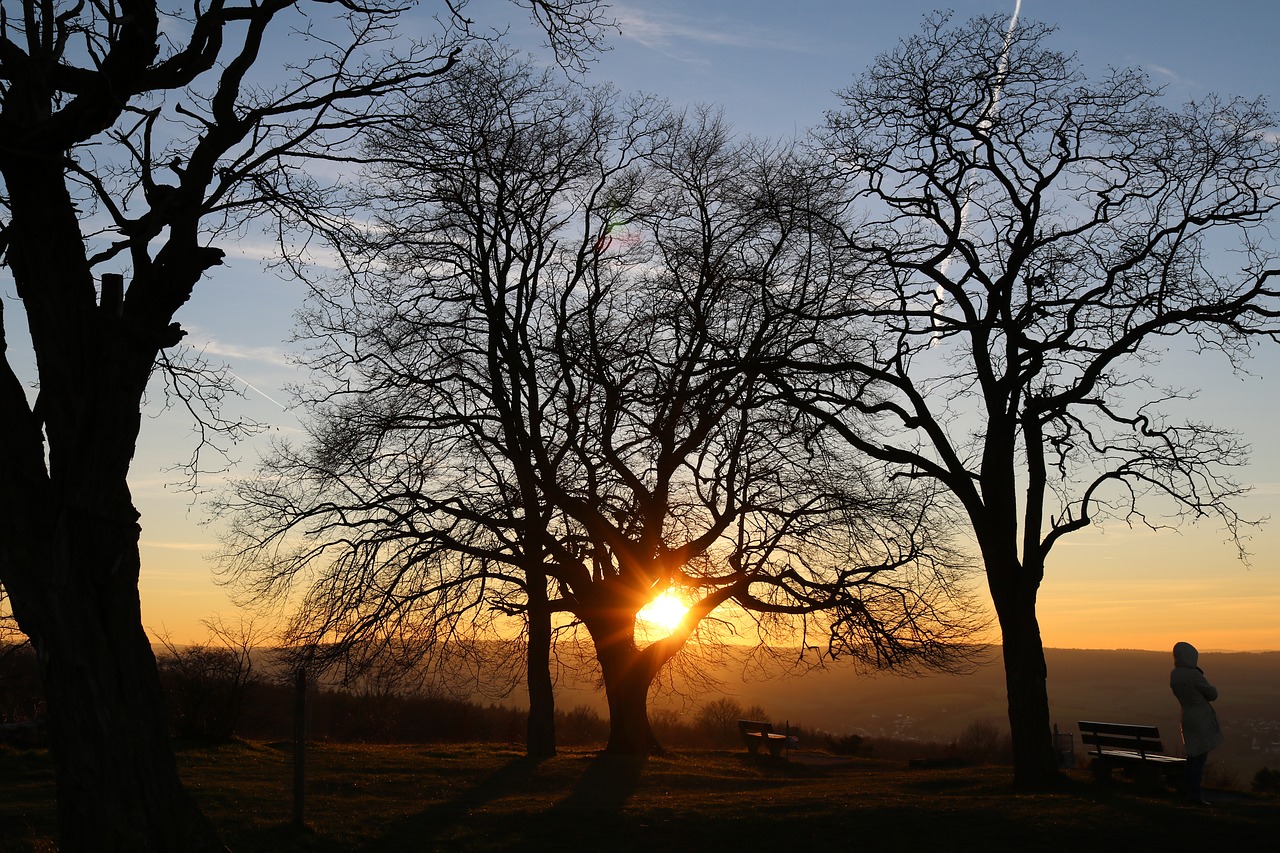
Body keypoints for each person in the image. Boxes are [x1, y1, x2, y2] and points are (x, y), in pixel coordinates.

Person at [1170, 641, 1224, 804]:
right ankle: (1194, 794)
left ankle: (1187, 790)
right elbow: (1212, 694)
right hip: (1200, 717)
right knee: (1200, 756)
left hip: (1186, 716)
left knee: (1191, 755)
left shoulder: (1175, 674)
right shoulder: (1193, 674)